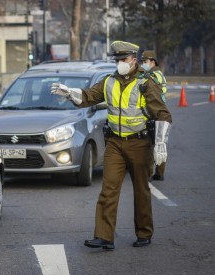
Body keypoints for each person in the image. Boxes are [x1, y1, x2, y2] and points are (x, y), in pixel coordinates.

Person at [51, 41, 172, 250]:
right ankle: (104, 237)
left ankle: (144, 233)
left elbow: (162, 113)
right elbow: (89, 96)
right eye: (117, 60)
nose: (120, 64)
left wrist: (161, 143)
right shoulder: (109, 81)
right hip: (115, 143)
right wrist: (70, 93)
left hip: (139, 143)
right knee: (108, 190)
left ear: (134, 59)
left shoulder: (145, 82)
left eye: (123, 60)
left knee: (141, 190)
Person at [141, 50, 168, 181]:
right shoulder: (159, 74)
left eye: (145, 62)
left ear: (152, 61)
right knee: (160, 143)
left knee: (151, 144)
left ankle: (150, 172)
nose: (143, 64)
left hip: (154, 112)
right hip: (160, 111)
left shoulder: (152, 76)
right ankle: (160, 172)